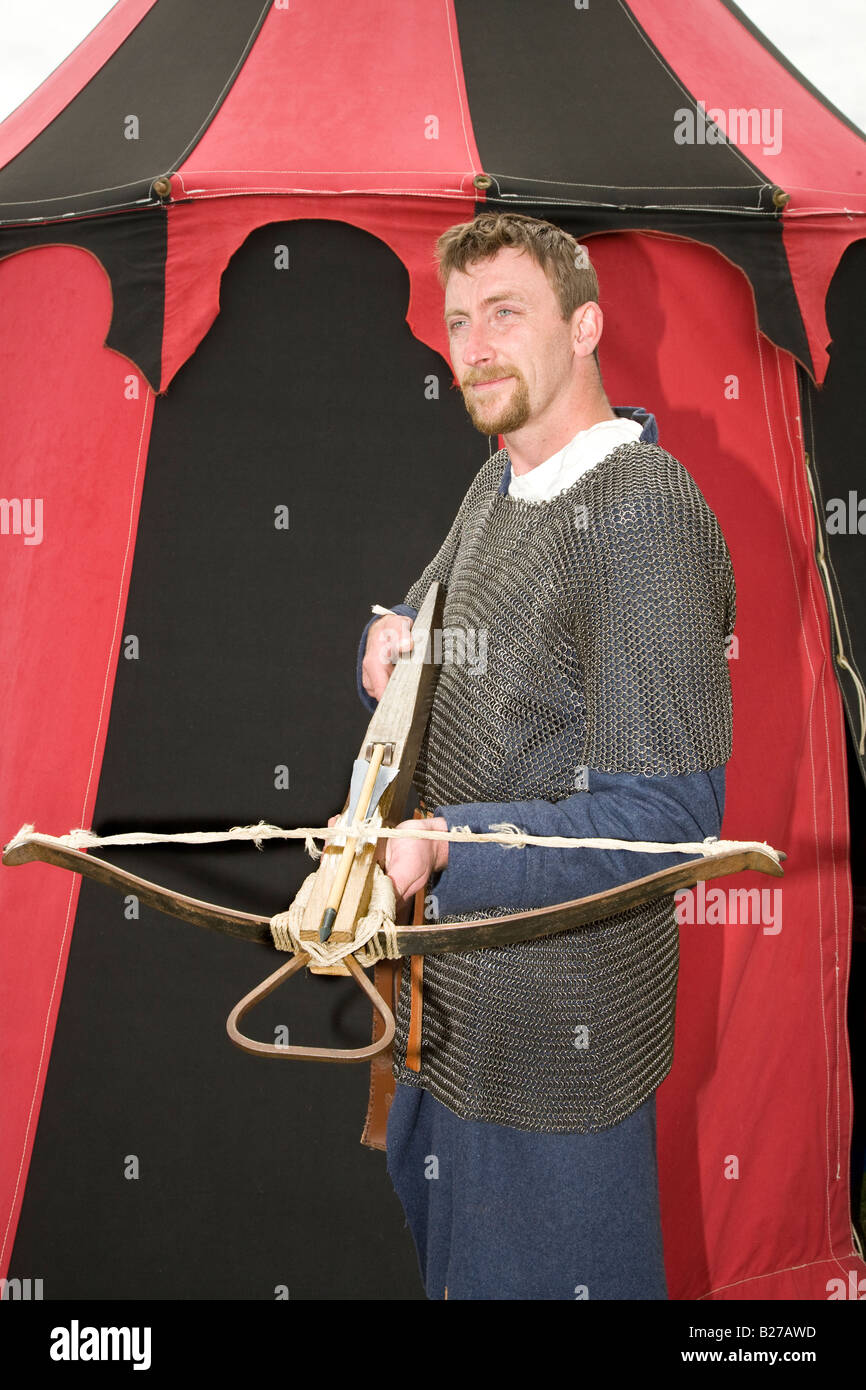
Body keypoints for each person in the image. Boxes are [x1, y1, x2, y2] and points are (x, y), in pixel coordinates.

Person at [355, 212, 735, 1300]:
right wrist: (387, 634)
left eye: (505, 314)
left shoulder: (639, 518)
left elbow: (665, 820)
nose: (472, 346)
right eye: (458, 320)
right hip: (448, 1012)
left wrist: (449, 847)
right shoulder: (494, 487)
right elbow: (427, 625)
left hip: (563, 1037)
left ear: (584, 327)